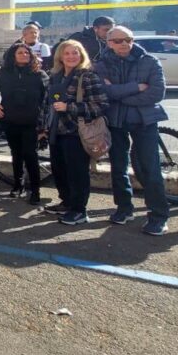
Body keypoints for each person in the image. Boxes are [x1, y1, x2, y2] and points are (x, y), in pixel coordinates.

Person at [93, 26, 170, 234]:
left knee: (149, 167)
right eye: (118, 40)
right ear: (109, 43)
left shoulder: (150, 61)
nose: (124, 44)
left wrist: (119, 94)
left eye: (128, 39)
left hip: (144, 120)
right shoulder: (101, 65)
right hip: (116, 121)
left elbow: (156, 93)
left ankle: (158, 215)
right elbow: (102, 92)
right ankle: (124, 207)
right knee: (118, 167)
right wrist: (136, 87)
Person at [41, 39, 107, 225]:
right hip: (56, 131)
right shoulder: (55, 76)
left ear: (81, 55)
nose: (71, 57)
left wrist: (69, 107)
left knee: (77, 173)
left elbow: (100, 106)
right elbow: (46, 105)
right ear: (60, 56)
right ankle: (67, 202)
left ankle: (79, 210)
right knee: (59, 170)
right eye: (67, 53)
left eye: (75, 53)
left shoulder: (87, 76)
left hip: (76, 132)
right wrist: (42, 127)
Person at [0, 44, 49, 204]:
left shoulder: (39, 74)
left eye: (26, 52)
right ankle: (18, 185)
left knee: (30, 155)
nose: (24, 55)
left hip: (32, 122)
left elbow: (47, 100)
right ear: (13, 56)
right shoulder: (4, 73)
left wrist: (43, 126)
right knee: (16, 153)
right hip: (10, 120)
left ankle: (35, 190)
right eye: (20, 52)